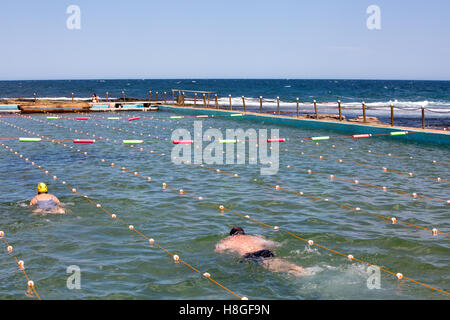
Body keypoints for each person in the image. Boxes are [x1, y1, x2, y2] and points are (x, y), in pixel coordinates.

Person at [215, 227, 304, 276]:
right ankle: (298, 268)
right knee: (277, 261)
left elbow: (219, 250)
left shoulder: (229, 240)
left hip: (250, 255)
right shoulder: (254, 237)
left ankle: (293, 272)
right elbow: (273, 244)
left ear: (231, 235)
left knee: (273, 268)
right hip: (265, 251)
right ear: (243, 233)